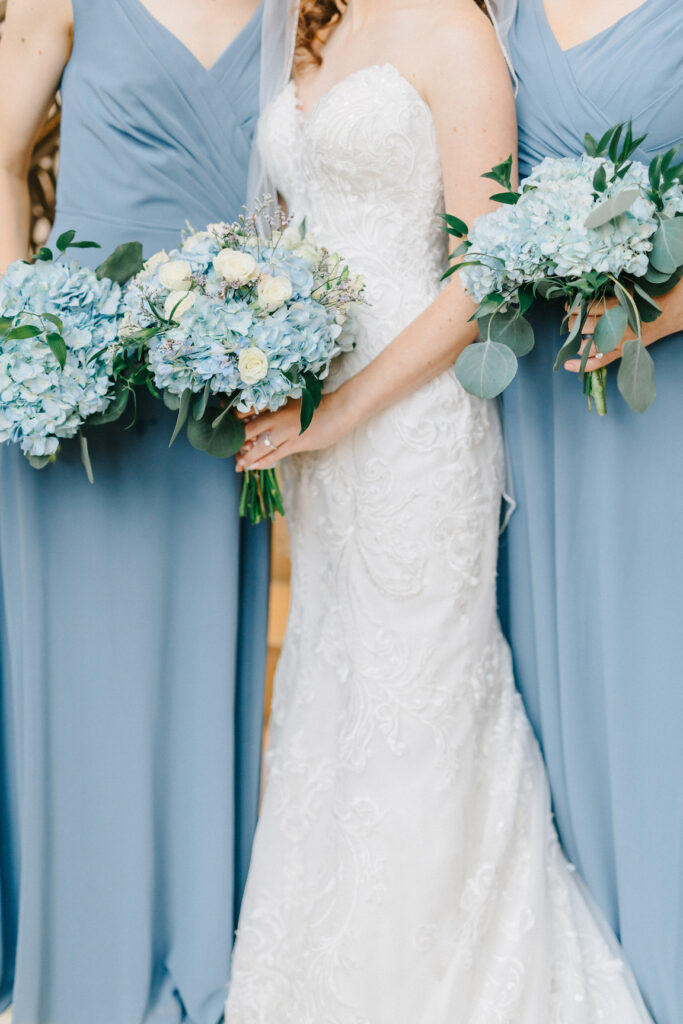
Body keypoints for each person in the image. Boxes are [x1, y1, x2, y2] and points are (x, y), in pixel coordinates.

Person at [225, 1, 652, 1019]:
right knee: (334, 680)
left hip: (415, 425)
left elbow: (481, 273)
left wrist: (342, 408)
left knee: (417, 690)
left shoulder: (455, 32)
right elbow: (290, 222)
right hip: (318, 427)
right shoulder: (314, 33)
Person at [0, 2, 268, 1022]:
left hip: (213, 397)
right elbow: (2, 147)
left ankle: (197, 953)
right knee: (85, 682)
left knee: (193, 669)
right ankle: (81, 960)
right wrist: (24, 335)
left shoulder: (297, 13)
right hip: (79, 398)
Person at [486, 1, 683, 1021]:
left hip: (659, 394)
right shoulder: (499, 13)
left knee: (659, 673)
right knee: (555, 667)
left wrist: (654, 303)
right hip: (541, 396)